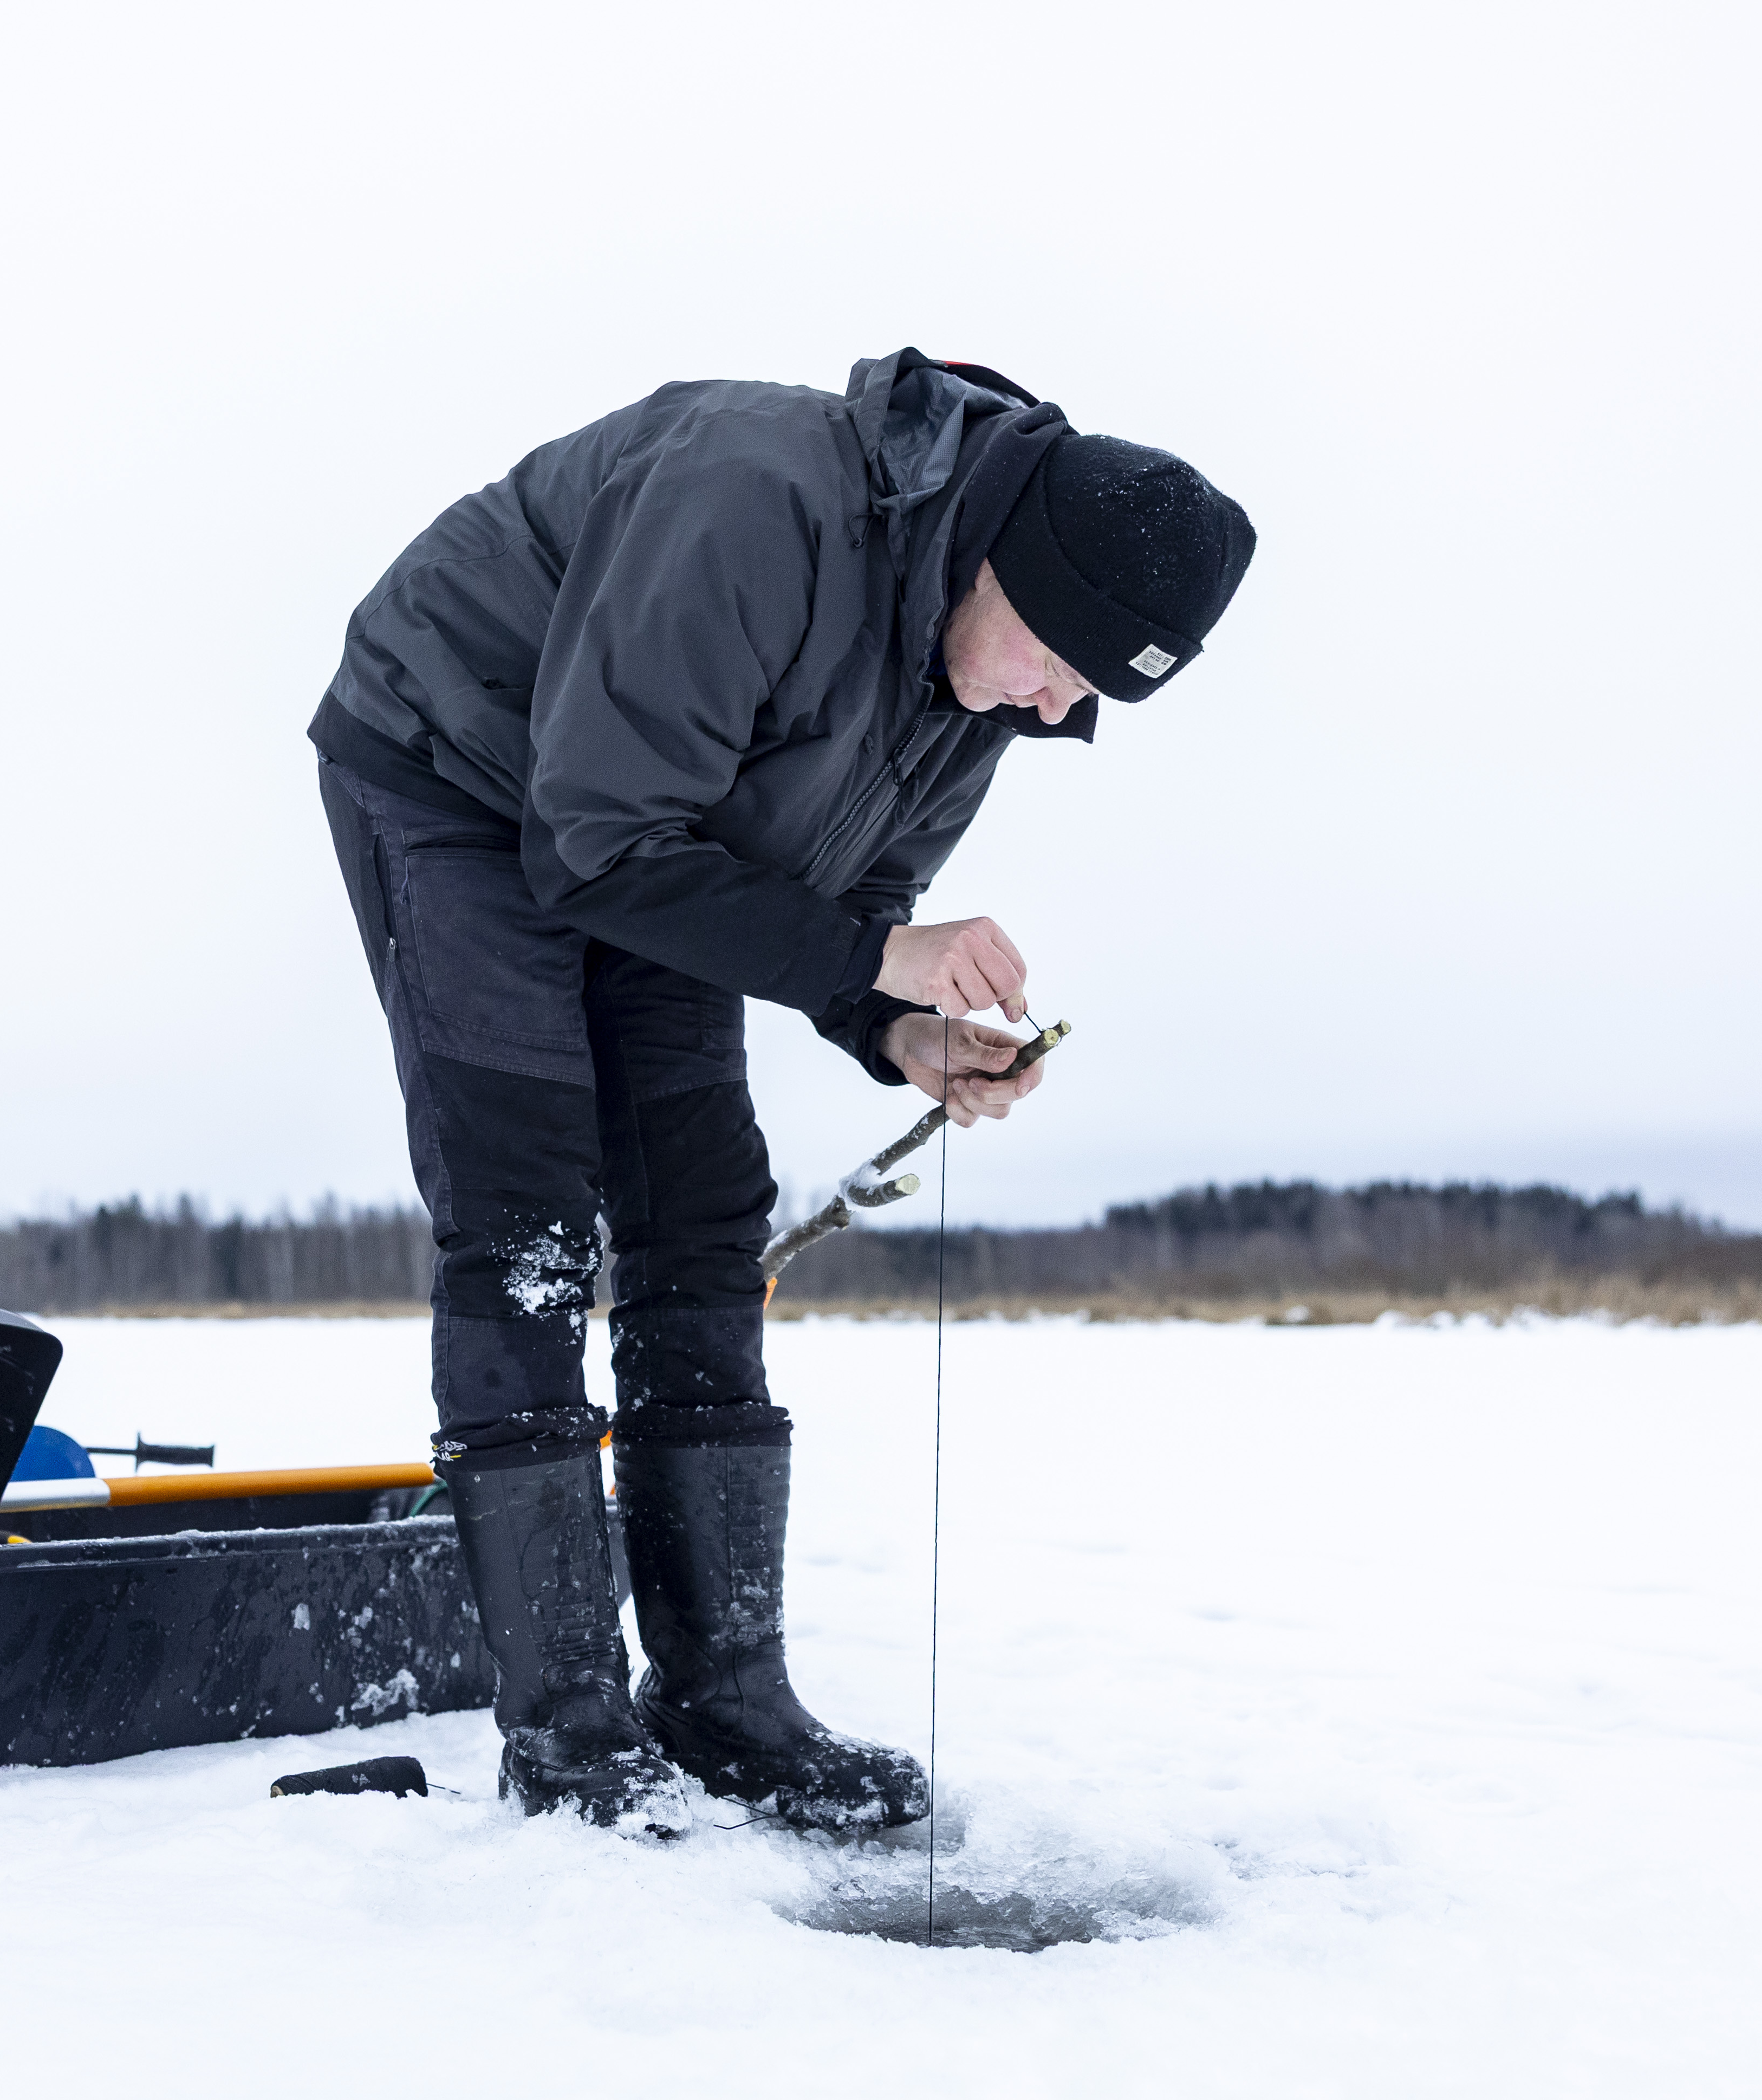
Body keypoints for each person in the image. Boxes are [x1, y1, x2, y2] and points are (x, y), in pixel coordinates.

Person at [311, 349, 1254, 1833]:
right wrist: (884, 954)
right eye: (1059, 660)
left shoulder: (978, 684)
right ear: (1009, 558)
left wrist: (900, 1031)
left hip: (659, 837)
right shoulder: (755, 504)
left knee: (701, 1212)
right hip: (463, 766)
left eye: (1087, 696)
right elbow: (592, 842)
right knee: (530, 1211)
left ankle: (725, 1699)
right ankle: (568, 1735)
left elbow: (847, 897)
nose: (1055, 707)